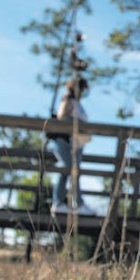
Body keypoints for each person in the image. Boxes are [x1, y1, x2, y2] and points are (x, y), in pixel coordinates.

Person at [50, 77, 96, 215]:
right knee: (68, 170)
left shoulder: (78, 104)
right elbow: (61, 117)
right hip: (65, 140)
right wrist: (78, 124)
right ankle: (65, 203)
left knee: (71, 171)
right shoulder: (67, 101)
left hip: (77, 143)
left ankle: (66, 203)